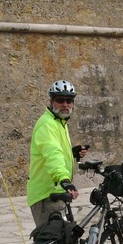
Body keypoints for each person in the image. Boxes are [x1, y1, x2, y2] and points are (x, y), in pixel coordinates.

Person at [28, 80, 90, 227]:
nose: (65, 104)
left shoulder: (59, 123)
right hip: (46, 195)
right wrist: (64, 179)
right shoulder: (47, 125)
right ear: (51, 101)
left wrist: (72, 153)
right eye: (60, 100)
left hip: (55, 192)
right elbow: (52, 155)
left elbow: (56, 150)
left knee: (63, 243)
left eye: (69, 101)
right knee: (51, 243)